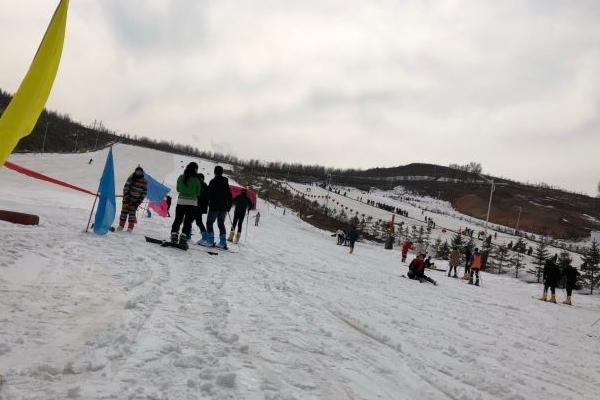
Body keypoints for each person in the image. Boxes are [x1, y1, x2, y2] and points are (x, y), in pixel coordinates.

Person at [200, 165, 232, 249]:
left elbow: (208, 194)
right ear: (222, 172)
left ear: (215, 172)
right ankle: (223, 242)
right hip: (223, 208)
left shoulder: (213, 181)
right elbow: (229, 195)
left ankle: (210, 241)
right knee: (221, 224)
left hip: (214, 207)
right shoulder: (226, 182)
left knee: (209, 223)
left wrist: (206, 204)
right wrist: (229, 206)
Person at [171, 162, 201, 247]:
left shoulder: (181, 177)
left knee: (178, 219)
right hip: (192, 204)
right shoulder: (196, 180)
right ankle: (183, 237)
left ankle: (174, 235)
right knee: (188, 222)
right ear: (195, 169)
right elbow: (198, 193)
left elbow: (178, 189)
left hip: (181, 202)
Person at [118, 166, 148, 232]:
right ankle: (121, 226)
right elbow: (126, 187)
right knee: (124, 212)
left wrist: (138, 202)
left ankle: (130, 228)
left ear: (142, 172)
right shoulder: (131, 178)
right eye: (137, 171)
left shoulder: (144, 181)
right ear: (135, 171)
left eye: (140, 172)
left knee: (132, 214)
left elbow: (144, 193)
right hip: (127, 199)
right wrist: (127, 197)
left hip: (135, 201)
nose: (138, 173)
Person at [194, 173, 209, 242]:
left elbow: (199, 196)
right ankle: (204, 235)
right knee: (197, 221)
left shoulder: (199, 184)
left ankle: (205, 236)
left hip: (196, 205)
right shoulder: (205, 185)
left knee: (197, 221)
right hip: (200, 206)